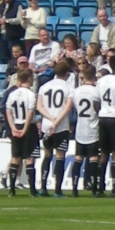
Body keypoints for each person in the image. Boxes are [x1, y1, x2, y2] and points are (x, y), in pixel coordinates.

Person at [36, 60, 74, 197]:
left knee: (47, 155)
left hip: (47, 125)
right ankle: (57, 190)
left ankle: (43, 187)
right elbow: (67, 108)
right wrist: (56, 122)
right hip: (61, 126)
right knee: (60, 156)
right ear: (67, 73)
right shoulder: (68, 87)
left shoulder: (44, 86)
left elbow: (39, 106)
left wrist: (50, 118)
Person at [96, 55, 115, 196]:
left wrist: (101, 112)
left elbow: (96, 101)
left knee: (103, 153)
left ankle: (99, 188)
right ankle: (114, 188)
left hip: (103, 117)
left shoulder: (101, 80)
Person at [69, 65, 100, 197]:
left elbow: (74, 108)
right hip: (93, 127)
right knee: (93, 158)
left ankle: (74, 189)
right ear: (94, 76)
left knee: (78, 158)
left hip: (80, 128)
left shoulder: (76, 91)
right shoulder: (96, 91)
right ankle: (94, 189)